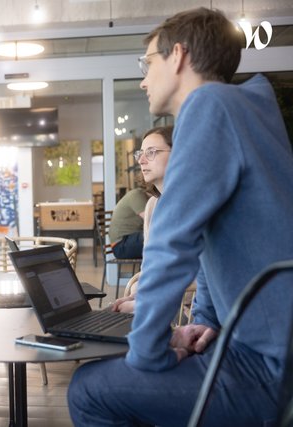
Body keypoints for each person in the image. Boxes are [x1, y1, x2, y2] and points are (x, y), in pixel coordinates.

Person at [68, 7, 293, 426]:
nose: (142, 78)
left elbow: (173, 243)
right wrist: (204, 321)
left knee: (89, 389)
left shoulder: (209, 105)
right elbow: (208, 244)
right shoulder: (246, 110)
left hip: (263, 368)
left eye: (147, 63)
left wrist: (148, 349)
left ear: (179, 55)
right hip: (266, 349)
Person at [111, 125, 173, 313]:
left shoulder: (195, 203)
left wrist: (145, 302)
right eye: (141, 153)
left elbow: (200, 275)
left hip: (191, 312)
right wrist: (137, 293)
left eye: (152, 152)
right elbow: (150, 265)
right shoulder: (153, 205)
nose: (142, 160)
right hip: (160, 304)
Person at [109, 186, 149, 259]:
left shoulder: (146, 197)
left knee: (161, 237)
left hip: (128, 240)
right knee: (159, 237)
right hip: (121, 245)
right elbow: (151, 220)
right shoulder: (137, 195)